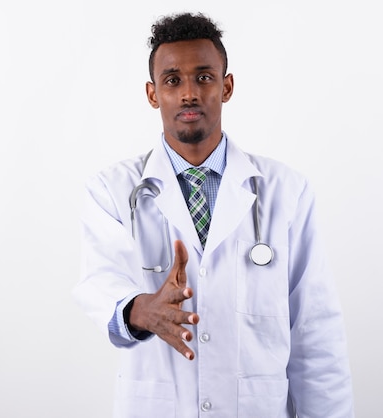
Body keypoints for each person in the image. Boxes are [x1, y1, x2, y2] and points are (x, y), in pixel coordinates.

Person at [73, 12, 354, 417]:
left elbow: (315, 334)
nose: (189, 93)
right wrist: (140, 309)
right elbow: (100, 280)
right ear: (153, 94)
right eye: (173, 80)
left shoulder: (285, 191)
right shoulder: (113, 190)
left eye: (203, 77)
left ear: (227, 86)